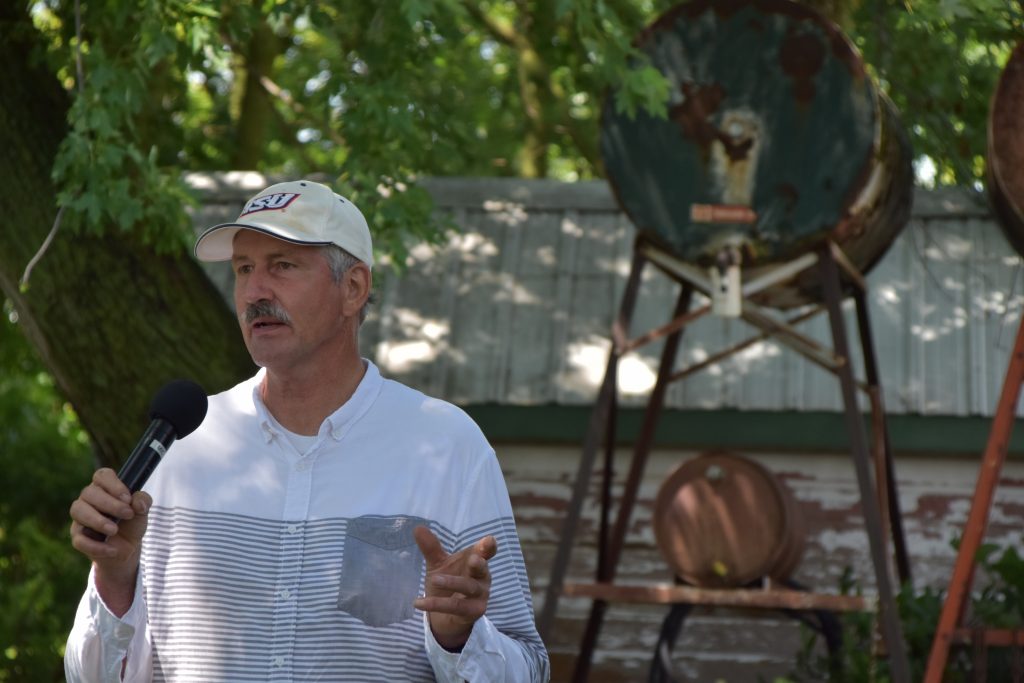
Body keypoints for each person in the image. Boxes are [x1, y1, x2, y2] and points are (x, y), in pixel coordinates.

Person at [64, 179, 550, 682]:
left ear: (353, 288)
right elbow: (90, 676)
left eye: (282, 266)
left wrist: (460, 637)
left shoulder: (447, 446)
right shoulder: (185, 444)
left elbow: (529, 672)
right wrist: (114, 579)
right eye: (244, 269)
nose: (254, 292)